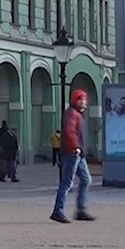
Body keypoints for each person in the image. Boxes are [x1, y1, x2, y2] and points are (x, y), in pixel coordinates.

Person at [51, 89, 94, 224]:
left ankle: (80, 210)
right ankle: (58, 211)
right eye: (81, 99)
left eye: (85, 100)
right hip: (72, 152)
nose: (84, 102)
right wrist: (75, 146)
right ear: (76, 100)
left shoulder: (77, 115)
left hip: (79, 153)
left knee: (86, 179)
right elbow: (70, 132)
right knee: (67, 183)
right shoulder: (71, 114)